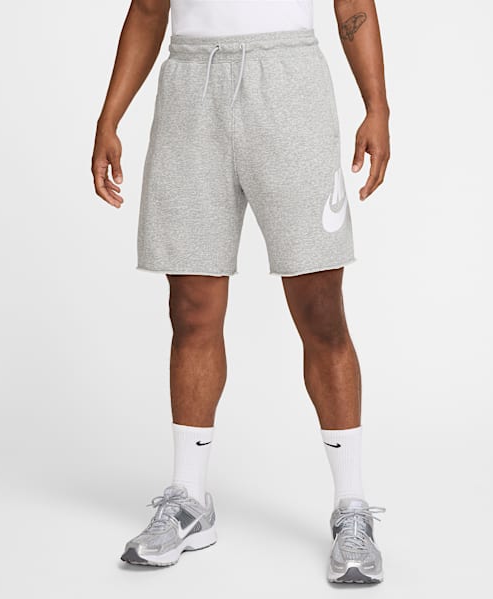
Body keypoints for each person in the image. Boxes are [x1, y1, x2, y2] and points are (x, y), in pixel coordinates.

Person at [91, 0, 390, 585]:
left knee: (321, 308)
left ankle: (352, 508)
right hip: (189, 87)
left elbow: (353, 4)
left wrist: (376, 107)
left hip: (289, 83)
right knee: (191, 309)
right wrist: (110, 117)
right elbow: (149, 9)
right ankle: (189, 501)